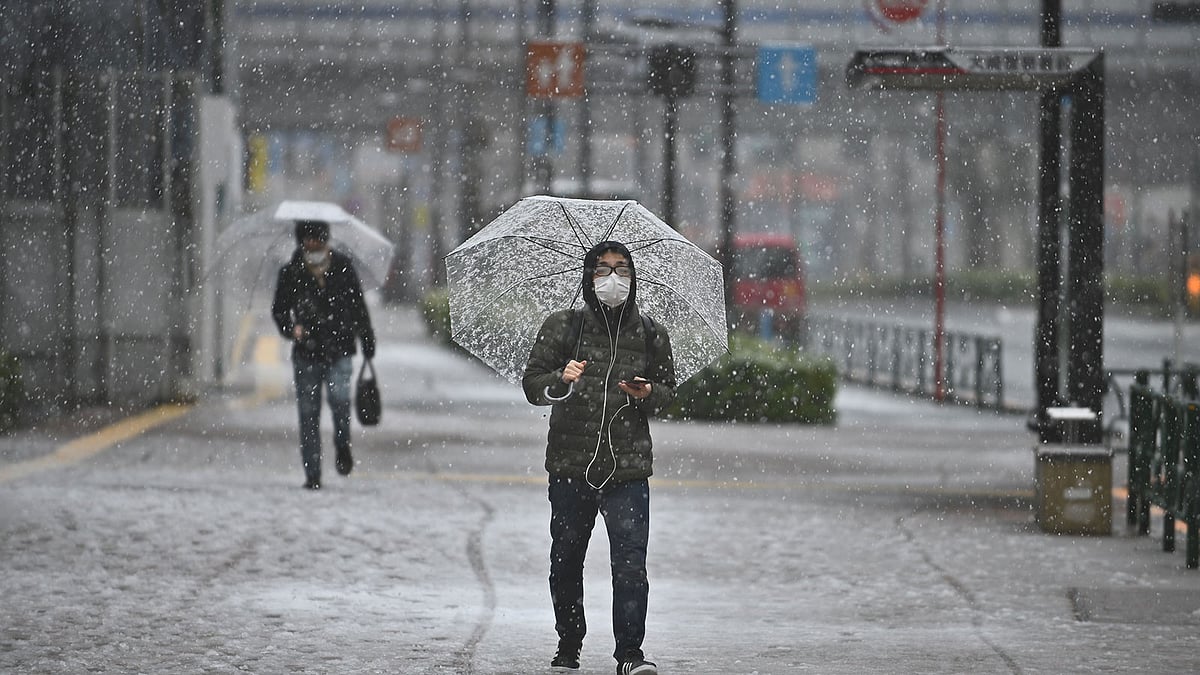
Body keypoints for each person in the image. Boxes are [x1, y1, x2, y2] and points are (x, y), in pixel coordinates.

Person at [523, 241, 676, 675]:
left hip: (627, 469)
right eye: (603, 269)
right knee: (566, 559)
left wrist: (649, 395)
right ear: (588, 277)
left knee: (630, 564)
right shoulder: (563, 327)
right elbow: (533, 385)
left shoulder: (650, 333)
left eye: (622, 269)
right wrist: (561, 378)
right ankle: (569, 644)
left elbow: (668, 393)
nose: (614, 279)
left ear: (634, 276)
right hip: (572, 467)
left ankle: (630, 654)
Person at [271, 219, 376, 490]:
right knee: (308, 414)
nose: (313, 245)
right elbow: (279, 310)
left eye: (318, 240)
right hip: (306, 351)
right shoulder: (290, 272)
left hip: (340, 348)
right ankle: (313, 473)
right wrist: (290, 329)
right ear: (301, 242)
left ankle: (342, 443)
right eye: (308, 240)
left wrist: (366, 338)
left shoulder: (343, 268)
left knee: (341, 400)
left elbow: (358, 307)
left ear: (327, 241)